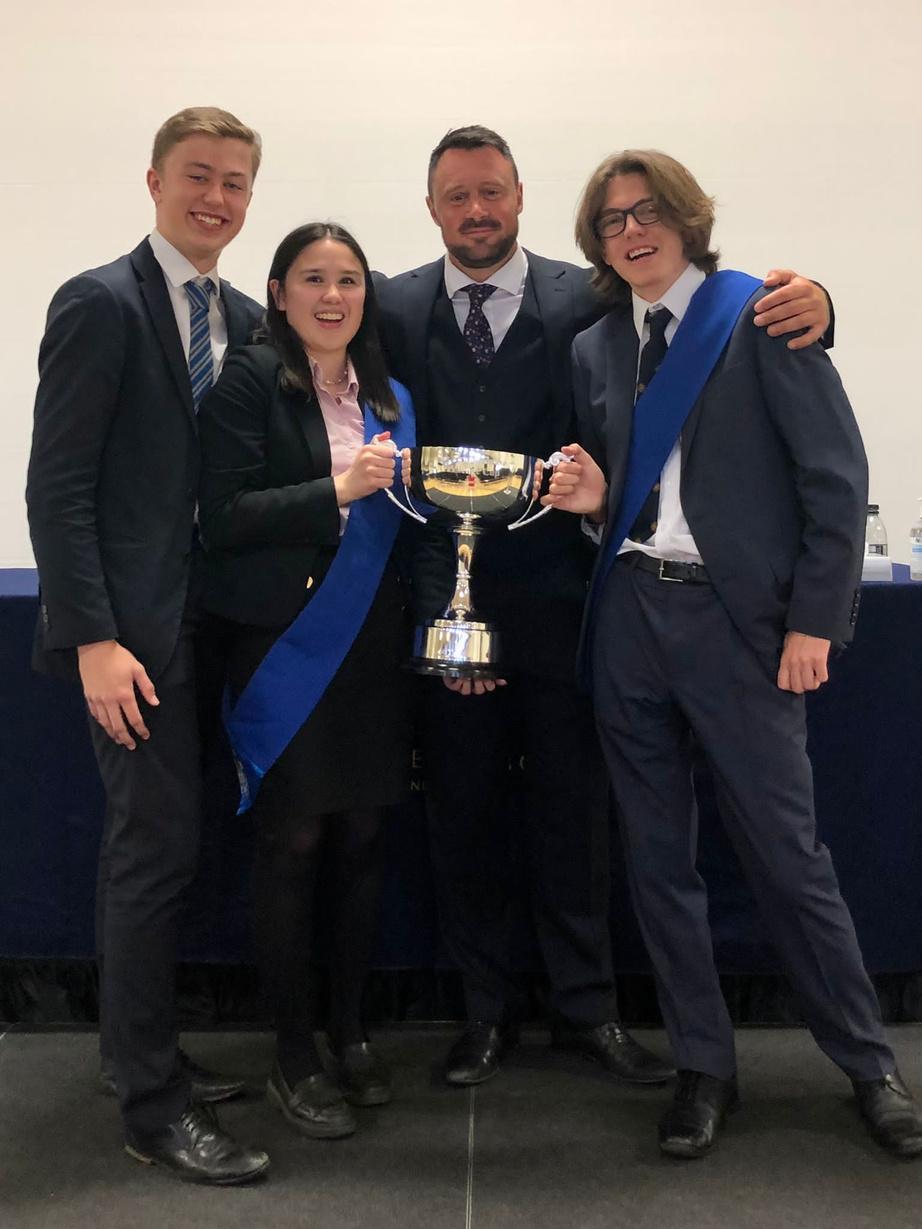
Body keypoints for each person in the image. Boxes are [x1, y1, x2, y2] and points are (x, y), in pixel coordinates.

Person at [375, 125, 832, 1088]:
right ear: (431, 208)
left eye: (492, 191)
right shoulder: (392, 302)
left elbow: (708, 316)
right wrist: (444, 616)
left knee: (577, 819)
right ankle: (485, 1011)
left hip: (573, 608)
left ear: (520, 195)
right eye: (456, 196)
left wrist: (822, 305)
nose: (476, 210)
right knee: (461, 816)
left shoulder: (588, 294)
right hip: (447, 610)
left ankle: (588, 1009)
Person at [543, 147, 922, 1159]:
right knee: (657, 861)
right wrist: (594, 506)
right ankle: (704, 1065)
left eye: (648, 211)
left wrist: (814, 622)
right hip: (629, 614)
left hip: (738, 625)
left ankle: (869, 1064)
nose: (632, 231)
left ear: (687, 218)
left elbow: (836, 479)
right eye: (612, 219)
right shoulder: (593, 349)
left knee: (788, 859)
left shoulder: (762, 316)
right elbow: (628, 494)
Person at [25, 107, 270, 1184]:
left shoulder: (249, 318)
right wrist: (92, 638)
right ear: (155, 181)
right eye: (197, 176)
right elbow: (58, 486)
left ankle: (141, 1049)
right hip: (131, 639)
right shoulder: (100, 302)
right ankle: (151, 1105)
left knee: (172, 848)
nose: (216, 198)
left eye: (234, 182)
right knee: (151, 853)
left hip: (216, 628)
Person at [197, 222, 414, 1142]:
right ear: (280, 292)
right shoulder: (250, 380)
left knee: (363, 837)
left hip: (374, 646)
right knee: (293, 842)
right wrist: (338, 488)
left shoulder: (392, 396)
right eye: (314, 279)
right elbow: (222, 516)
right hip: (284, 645)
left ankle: (350, 1029)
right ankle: (292, 1050)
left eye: (349, 279)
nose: (333, 296)